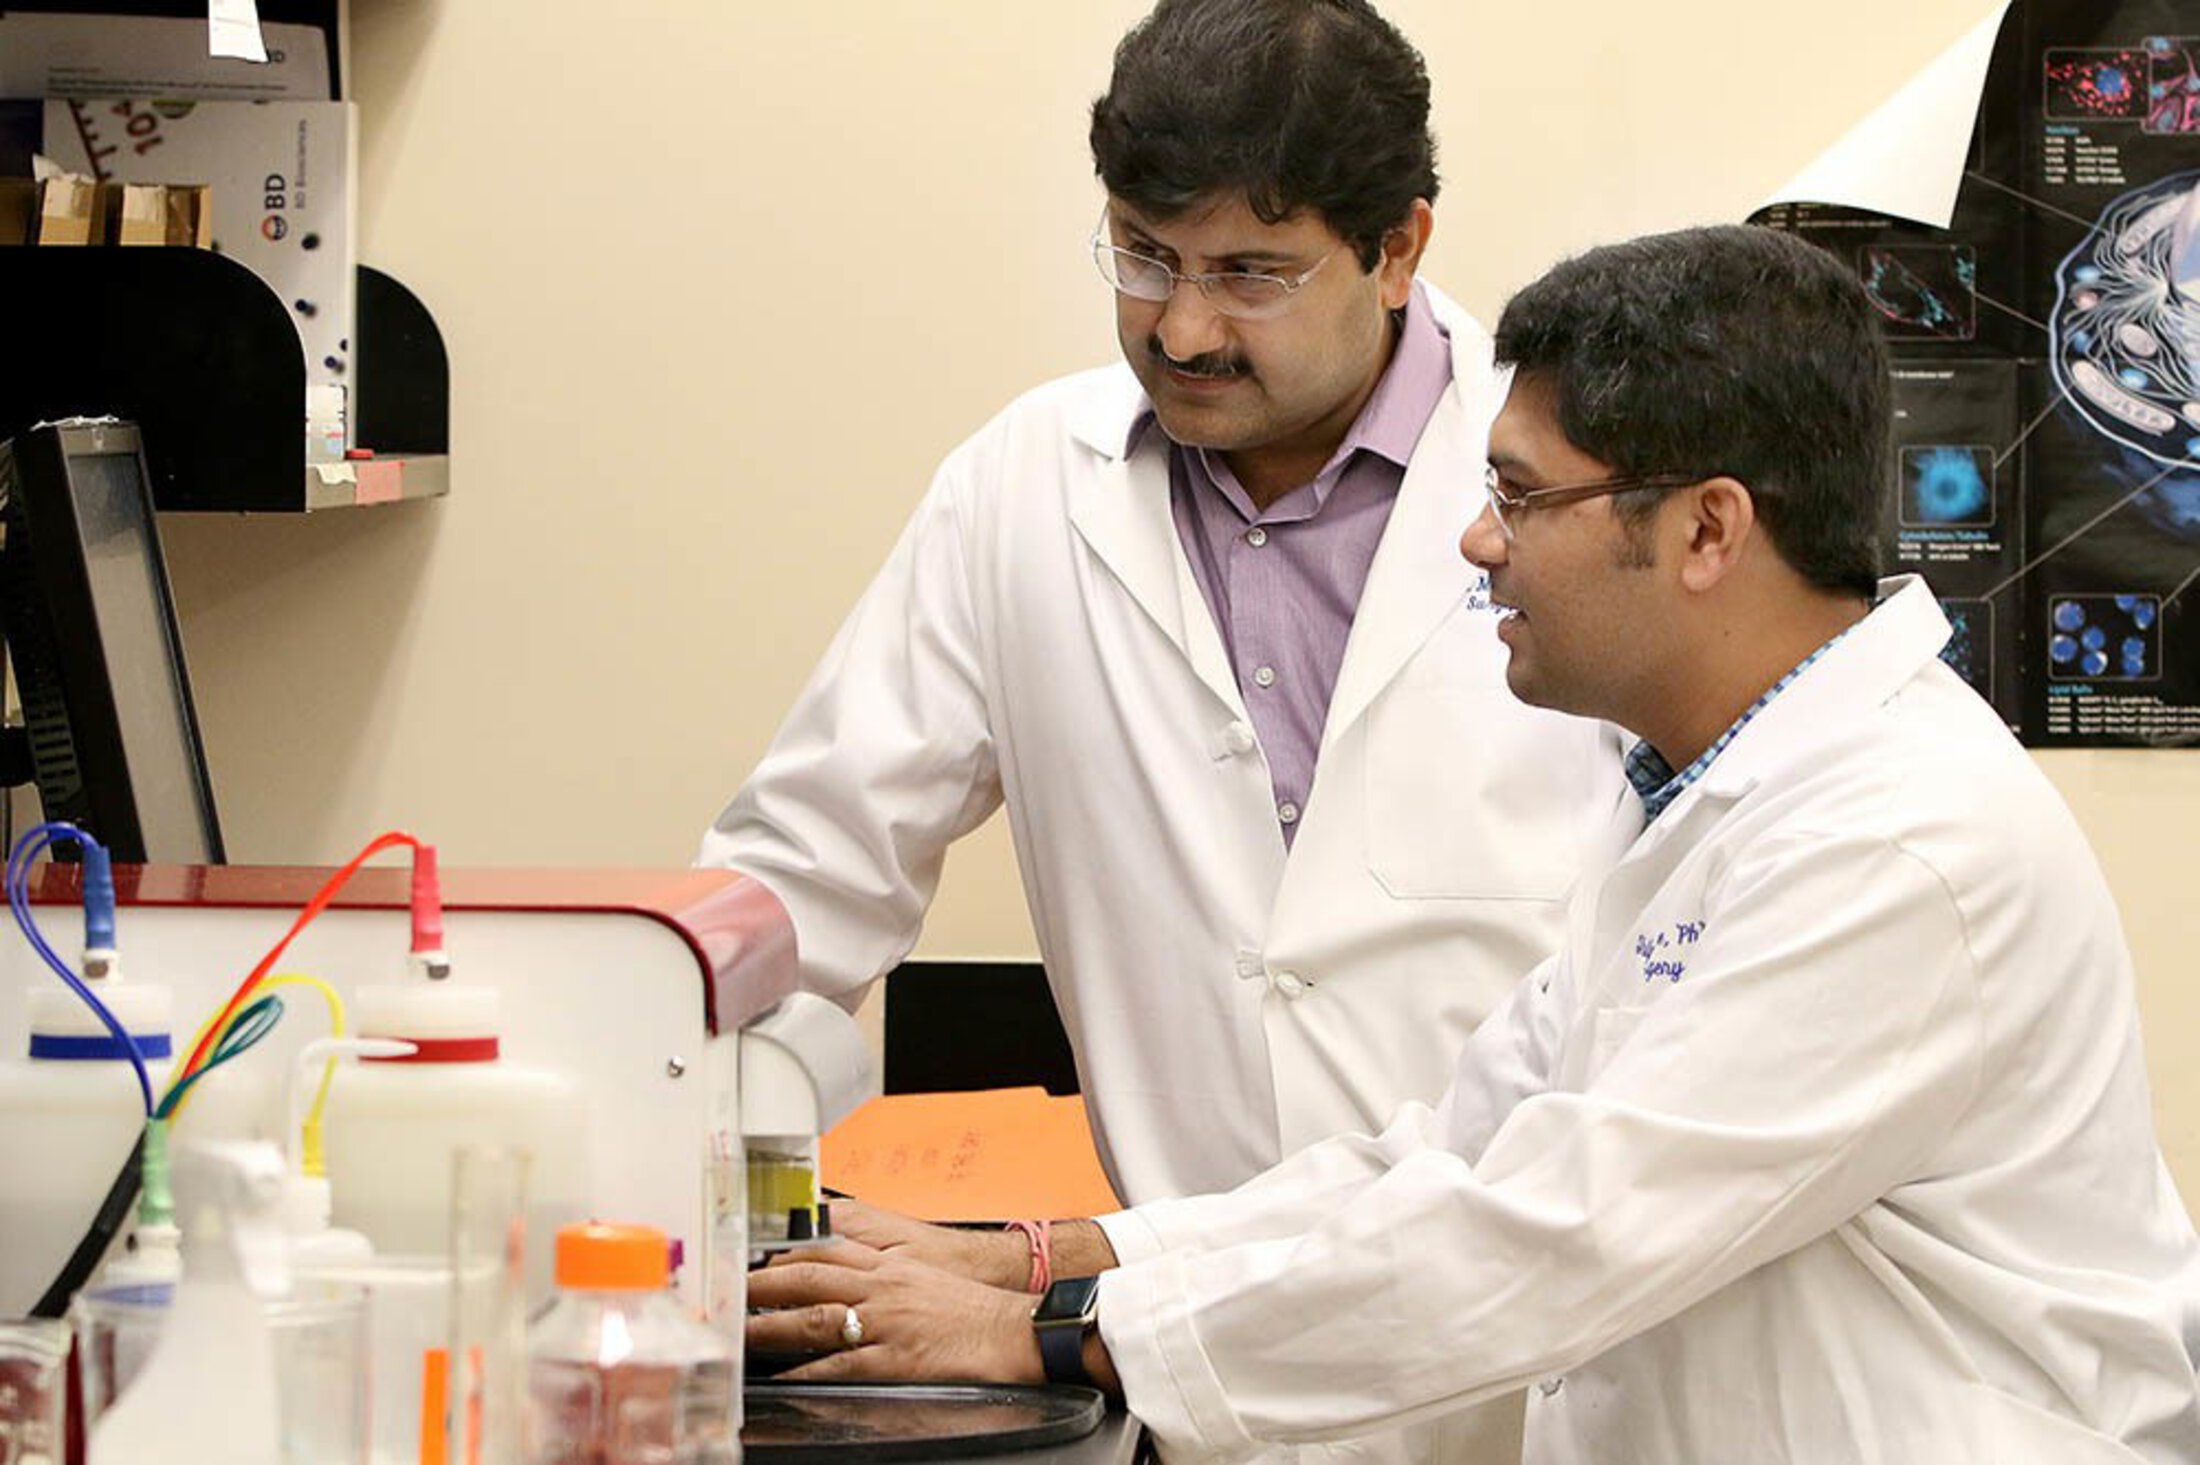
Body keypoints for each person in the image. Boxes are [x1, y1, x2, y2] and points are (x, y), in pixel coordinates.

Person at [747, 224, 2200, 1464]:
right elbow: (1448, 1152)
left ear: (1707, 532)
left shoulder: (1895, 842)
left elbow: (1557, 1232)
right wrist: (1041, 1261)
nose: (1479, 543)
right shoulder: (1694, 801)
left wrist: (1046, 1337)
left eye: (1522, 496)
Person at [700, 0, 1620, 1210]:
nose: (1182, 330)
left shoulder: (1592, 481)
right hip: (1173, 1303)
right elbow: (807, 878)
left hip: (1529, 1296)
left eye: (1249, 274)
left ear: (1396, 250)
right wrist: (701, 1170)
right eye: (1143, 256)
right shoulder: (1022, 485)